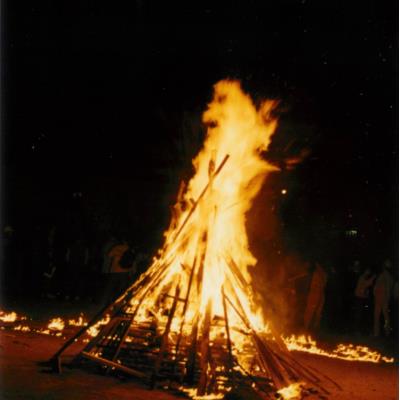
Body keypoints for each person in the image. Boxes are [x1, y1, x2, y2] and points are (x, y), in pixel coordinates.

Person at [303, 262, 328, 331]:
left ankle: (314, 327)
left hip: (320, 294)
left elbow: (323, 284)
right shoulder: (316, 274)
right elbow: (311, 285)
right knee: (310, 311)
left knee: (318, 312)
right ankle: (306, 327)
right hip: (314, 294)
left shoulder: (323, 274)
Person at [373, 259, 394, 337]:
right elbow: (376, 286)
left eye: (387, 264)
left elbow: (388, 287)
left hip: (383, 298)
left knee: (385, 316)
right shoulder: (383, 274)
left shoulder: (387, 275)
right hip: (379, 298)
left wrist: (387, 297)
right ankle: (377, 333)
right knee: (377, 316)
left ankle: (386, 332)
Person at [353, 268, 376, 335]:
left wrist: (366, 294)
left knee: (361, 314)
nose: (368, 272)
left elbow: (366, 287)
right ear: (365, 271)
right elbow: (366, 284)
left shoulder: (364, 277)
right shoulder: (362, 277)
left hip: (362, 298)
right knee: (358, 314)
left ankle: (359, 330)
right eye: (367, 271)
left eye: (369, 271)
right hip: (358, 298)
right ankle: (356, 330)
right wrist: (373, 278)